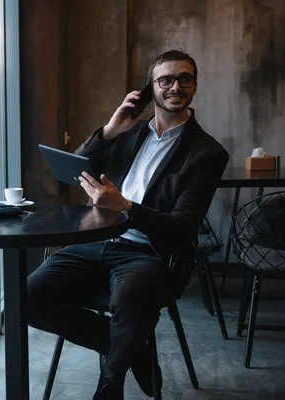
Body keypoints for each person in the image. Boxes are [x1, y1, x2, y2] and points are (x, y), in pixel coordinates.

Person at [27, 49, 229, 399]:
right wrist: (107, 130)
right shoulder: (126, 131)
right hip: (92, 240)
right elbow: (66, 175)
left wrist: (125, 207)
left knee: (132, 302)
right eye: (165, 79)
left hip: (146, 252)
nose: (175, 86)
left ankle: (110, 382)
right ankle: (129, 346)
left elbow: (182, 227)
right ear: (150, 88)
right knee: (25, 298)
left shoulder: (207, 152)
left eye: (185, 78)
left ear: (194, 86)